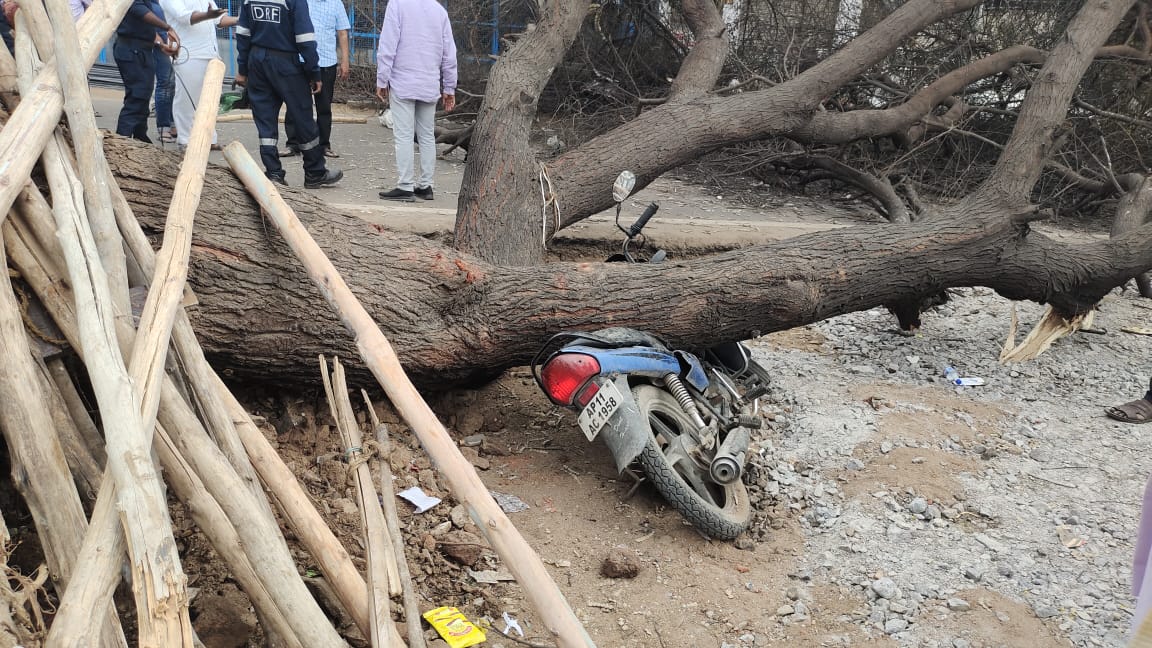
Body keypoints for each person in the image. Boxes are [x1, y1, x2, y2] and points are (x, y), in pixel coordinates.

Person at [235, 0, 342, 187]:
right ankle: (315, 171)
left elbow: (243, 34)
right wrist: (314, 72)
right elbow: (305, 38)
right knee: (303, 116)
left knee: (264, 119)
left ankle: (274, 173)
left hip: (257, 61)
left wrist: (243, 68)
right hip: (286, 63)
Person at [375, 0, 457, 201]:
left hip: (403, 82)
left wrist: (382, 79)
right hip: (429, 83)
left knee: (403, 135)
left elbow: (388, 44)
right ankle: (426, 185)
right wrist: (449, 87)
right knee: (427, 135)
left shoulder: (397, 5)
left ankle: (405, 185)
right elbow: (449, 53)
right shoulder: (439, 11)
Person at [158, 0, 237, 149]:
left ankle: (209, 139)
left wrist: (241, 20)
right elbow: (184, 17)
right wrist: (208, 15)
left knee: (209, 100)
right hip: (189, 53)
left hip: (210, 53)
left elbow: (219, 19)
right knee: (187, 100)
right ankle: (186, 140)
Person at [280, 0, 349, 159]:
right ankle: (293, 144)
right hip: (300, 61)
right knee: (295, 104)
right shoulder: (300, 2)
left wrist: (344, 60)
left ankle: (323, 145)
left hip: (326, 62)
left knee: (324, 106)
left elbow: (342, 32)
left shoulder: (335, 3)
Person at [115, 0, 179, 143]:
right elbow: (140, 12)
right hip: (132, 49)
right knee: (137, 96)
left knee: (142, 96)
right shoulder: (134, 3)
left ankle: (140, 137)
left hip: (142, 49)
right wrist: (167, 27)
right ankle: (122, 140)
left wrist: (160, 44)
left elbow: (145, 25)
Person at [151, 1, 176, 143]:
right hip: (159, 45)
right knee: (165, 82)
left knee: (173, 84)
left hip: (170, 40)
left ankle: (172, 123)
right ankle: (163, 127)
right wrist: (158, 40)